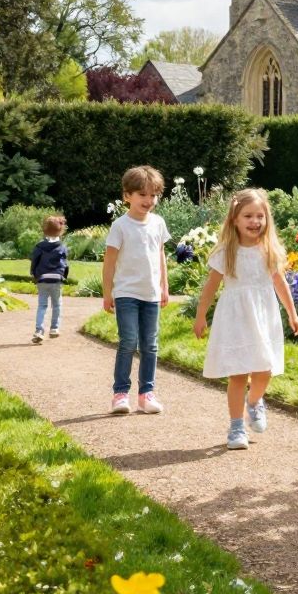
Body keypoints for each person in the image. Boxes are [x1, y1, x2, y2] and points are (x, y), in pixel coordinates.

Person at [193, 189, 298, 449]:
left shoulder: (269, 250)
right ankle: (235, 428)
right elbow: (210, 287)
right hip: (235, 319)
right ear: (234, 219)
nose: (255, 221)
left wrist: (292, 313)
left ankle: (253, 402)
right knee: (238, 374)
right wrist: (200, 316)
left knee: (265, 369)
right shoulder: (226, 252)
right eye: (248, 216)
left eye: (260, 216)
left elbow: (280, 283)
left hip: (264, 316)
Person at [103, 165, 171, 415]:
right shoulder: (120, 226)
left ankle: (146, 394)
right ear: (127, 196)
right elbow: (109, 261)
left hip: (151, 294)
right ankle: (120, 394)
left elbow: (161, 254)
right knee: (128, 342)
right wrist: (107, 292)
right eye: (142, 194)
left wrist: (164, 285)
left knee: (150, 345)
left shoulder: (158, 223)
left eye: (153, 195)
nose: (148, 200)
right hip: (126, 294)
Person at [29, 214, 69, 343]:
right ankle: (54, 328)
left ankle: (39, 331)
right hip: (56, 279)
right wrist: (64, 275)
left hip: (42, 279)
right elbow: (65, 264)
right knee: (57, 304)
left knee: (42, 305)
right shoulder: (62, 247)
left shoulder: (39, 246)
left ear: (45, 229)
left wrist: (34, 274)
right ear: (60, 230)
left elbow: (34, 261)